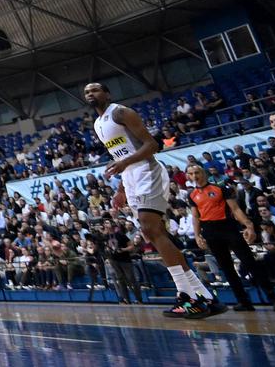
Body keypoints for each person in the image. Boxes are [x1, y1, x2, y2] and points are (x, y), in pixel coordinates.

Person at [85, 82, 223, 319]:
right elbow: (121, 154)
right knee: (153, 234)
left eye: (95, 90)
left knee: (151, 230)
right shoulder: (98, 123)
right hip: (130, 177)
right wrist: (120, 188)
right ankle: (202, 295)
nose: (90, 94)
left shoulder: (120, 112)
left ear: (107, 93)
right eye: (87, 92)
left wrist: (126, 165)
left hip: (146, 171)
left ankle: (187, 295)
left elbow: (152, 145)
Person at [186, 163, 275, 312]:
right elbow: (195, 216)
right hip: (210, 232)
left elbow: (235, 209)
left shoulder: (219, 189)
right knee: (227, 268)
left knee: (250, 262)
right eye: (191, 174)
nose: (195, 176)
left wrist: (248, 225)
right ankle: (243, 302)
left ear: (203, 173)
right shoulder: (192, 195)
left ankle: (274, 299)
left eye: (197, 172)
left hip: (228, 227)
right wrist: (198, 234)